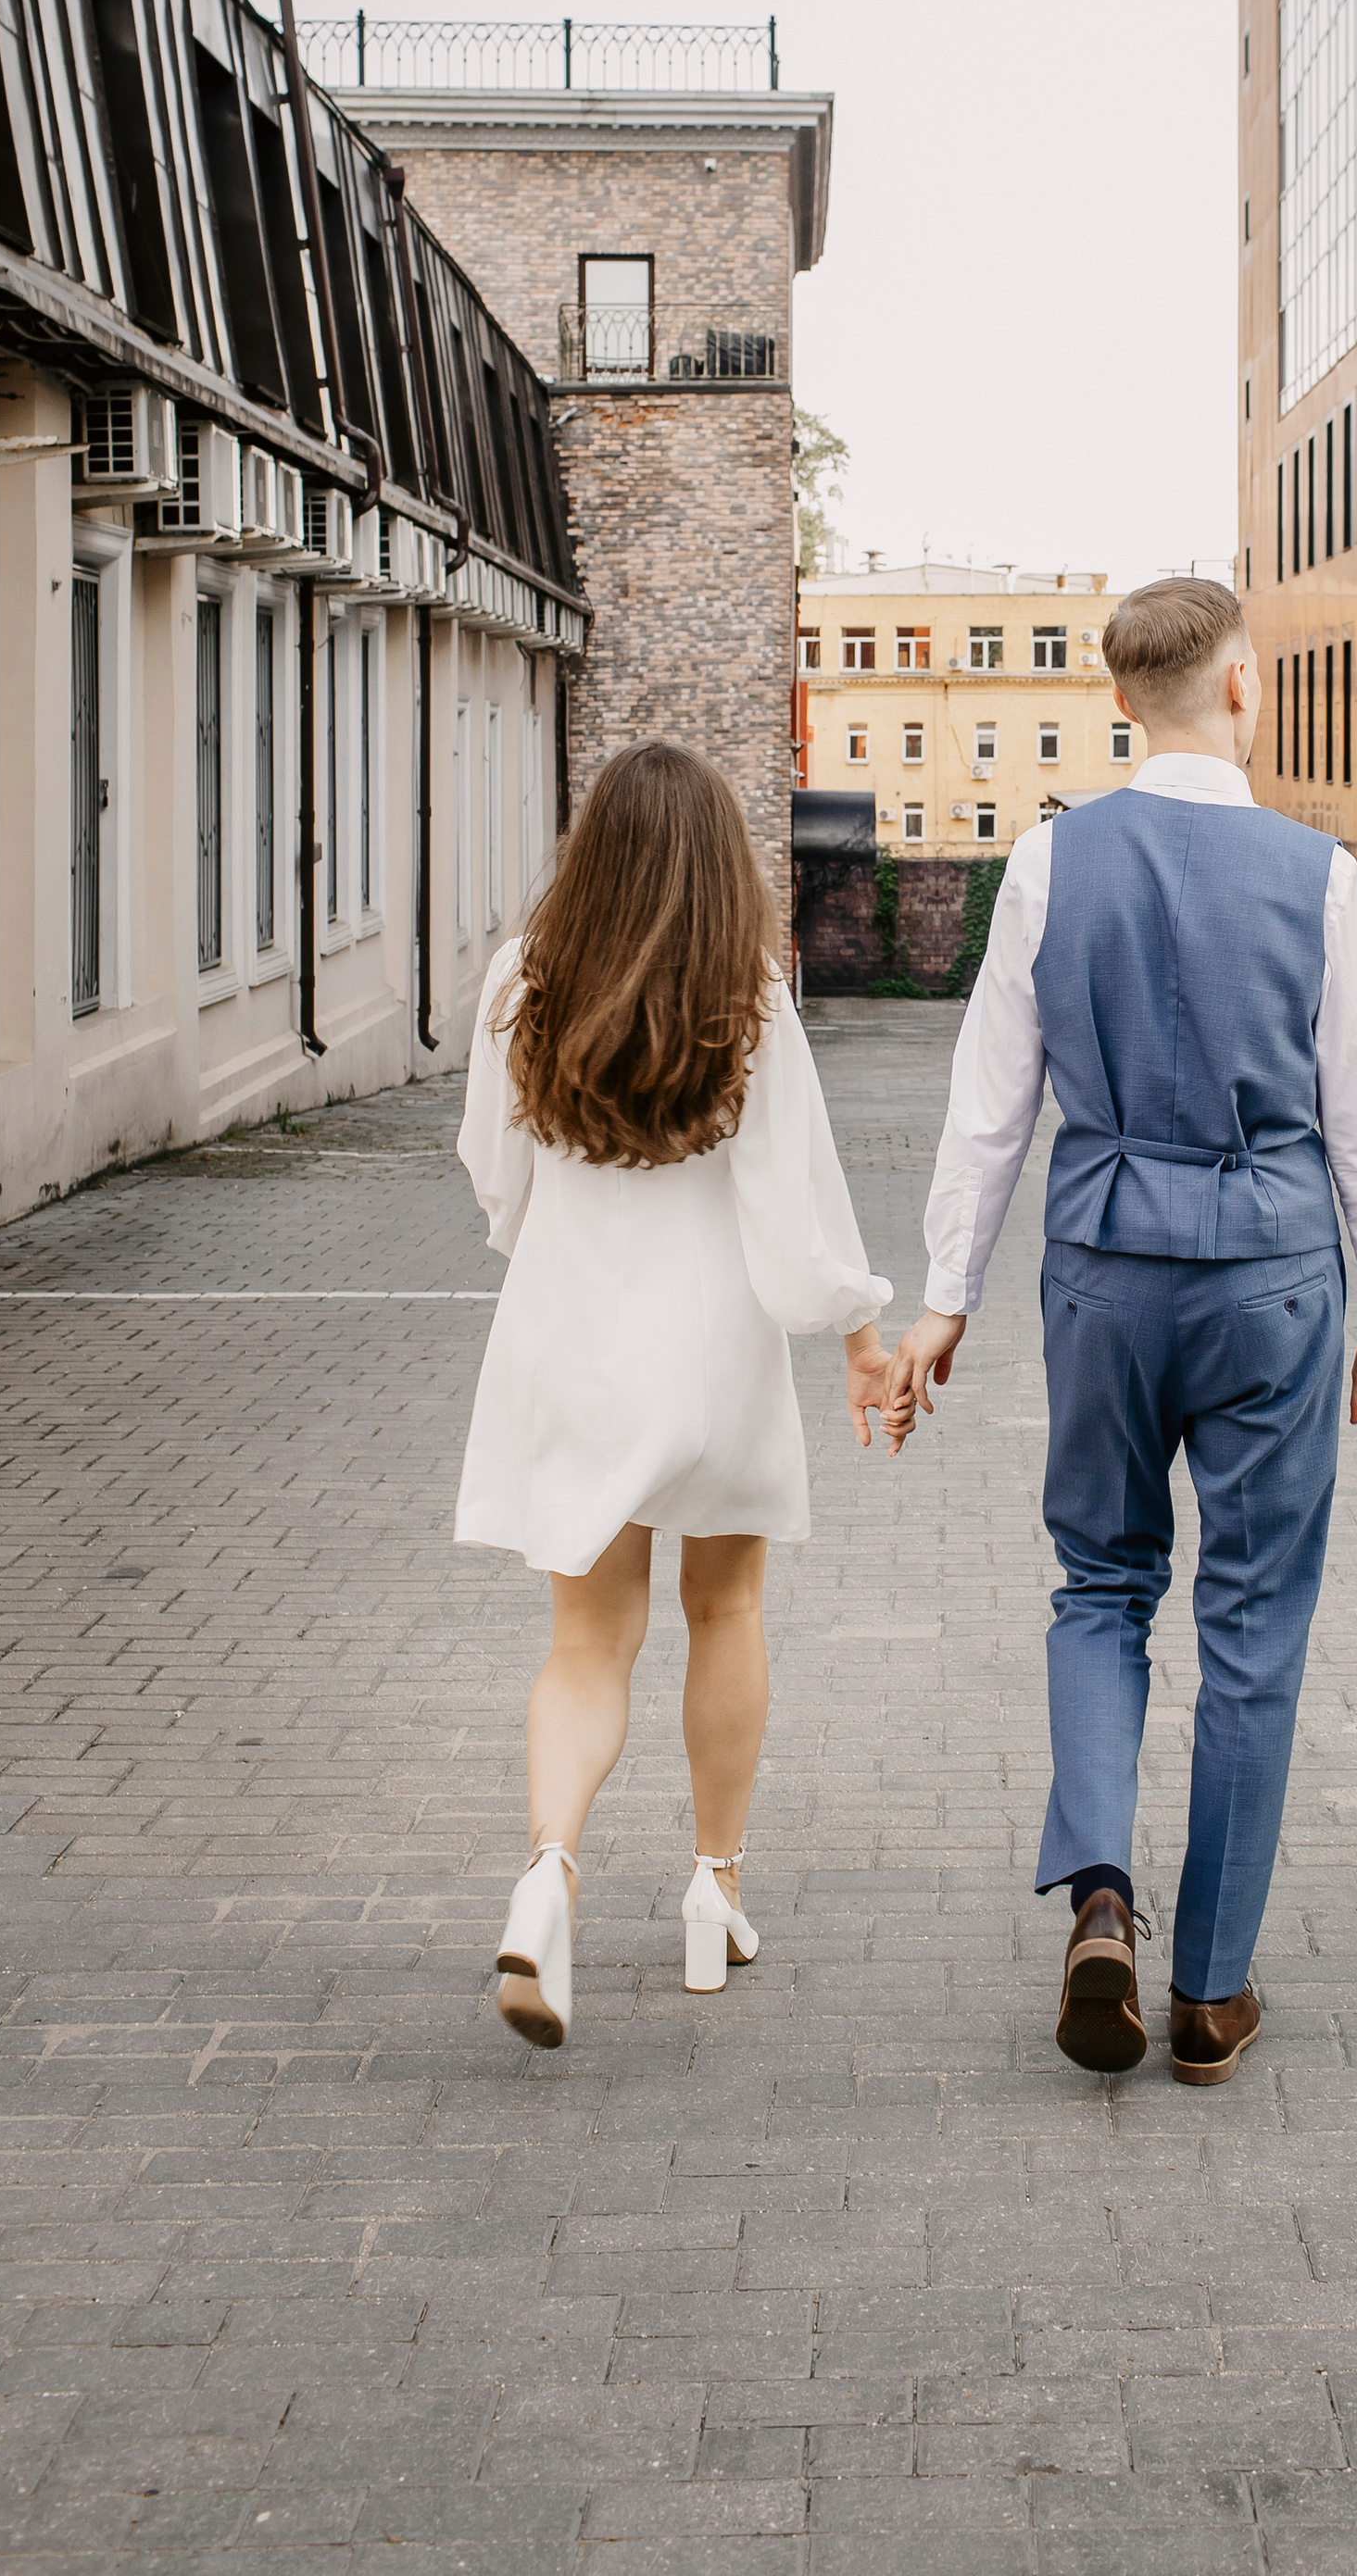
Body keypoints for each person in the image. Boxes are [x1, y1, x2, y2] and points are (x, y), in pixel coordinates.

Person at [888, 579, 1357, 2083]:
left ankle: (1103, 1896)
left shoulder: (1051, 864)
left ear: (1123, 700)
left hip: (1105, 1271)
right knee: (1252, 1620)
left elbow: (990, 1105)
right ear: (1243, 690)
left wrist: (948, 1298)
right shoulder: (1322, 879)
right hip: (1272, 1276)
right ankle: (1211, 1990)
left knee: (1100, 1583)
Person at [454, 738, 898, 2049]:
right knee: (729, 1606)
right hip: (713, 1350)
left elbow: (496, 1177)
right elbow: (796, 1212)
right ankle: (715, 1890)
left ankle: (548, 1873)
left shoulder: (519, 987)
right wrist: (862, 1338)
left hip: (567, 1335)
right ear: (718, 864)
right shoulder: (746, 997)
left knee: (587, 1643)